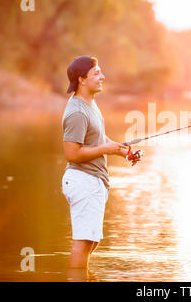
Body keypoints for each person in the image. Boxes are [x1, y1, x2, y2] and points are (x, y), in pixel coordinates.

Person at [61, 55, 128, 269]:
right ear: (82, 79)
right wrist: (106, 149)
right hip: (83, 182)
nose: (102, 76)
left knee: (91, 241)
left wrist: (121, 151)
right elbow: (72, 154)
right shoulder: (77, 112)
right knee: (82, 242)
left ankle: (82, 276)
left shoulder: (90, 104)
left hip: (93, 181)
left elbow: (98, 138)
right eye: (96, 73)